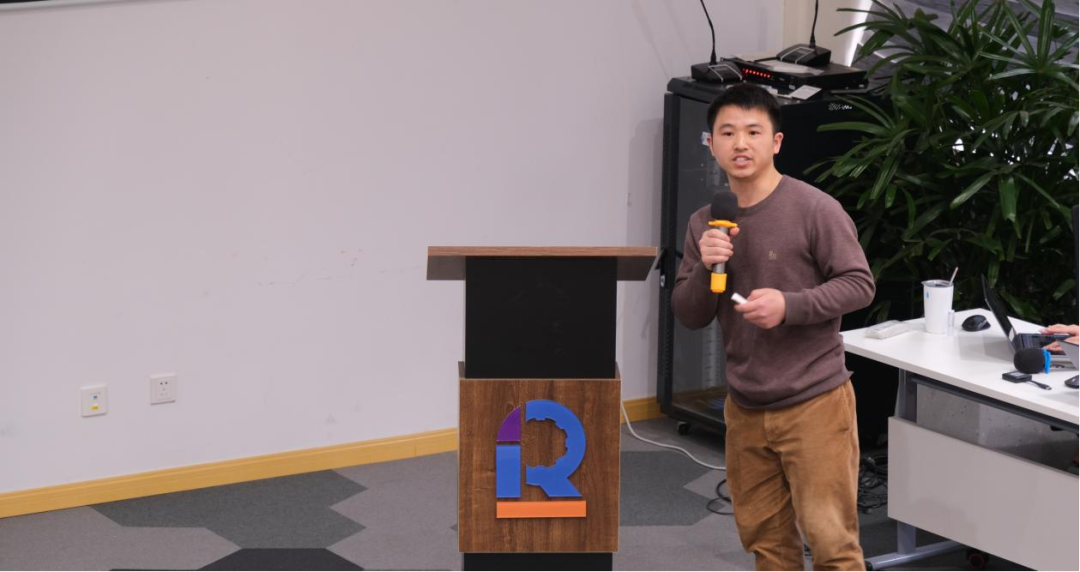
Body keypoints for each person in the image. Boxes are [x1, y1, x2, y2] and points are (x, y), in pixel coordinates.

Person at [671, 83, 875, 572]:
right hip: (744, 405)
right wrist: (706, 268)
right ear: (711, 145)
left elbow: (859, 285)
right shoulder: (705, 223)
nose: (740, 144)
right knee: (768, 548)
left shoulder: (814, 208)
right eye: (727, 133)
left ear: (776, 142)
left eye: (753, 132)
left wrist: (791, 305)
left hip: (815, 401)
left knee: (832, 546)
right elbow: (689, 313)